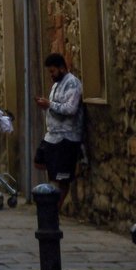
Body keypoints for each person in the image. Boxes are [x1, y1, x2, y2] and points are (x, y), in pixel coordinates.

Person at [35, 53, 84, 208]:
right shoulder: (56, 84)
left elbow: (70, 109)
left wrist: (49, 105)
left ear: (62, 68)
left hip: (66, 136)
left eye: (53, 71)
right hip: (52, 136)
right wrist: (46, 106)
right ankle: (52, 203)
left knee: (61, 177)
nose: (51, 75)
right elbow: (54, 106)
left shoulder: (72, 84)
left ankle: (55, 208)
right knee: (40, 162)